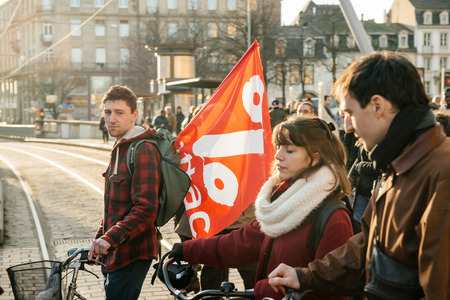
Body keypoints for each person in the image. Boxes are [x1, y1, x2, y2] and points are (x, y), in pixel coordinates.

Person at [268, 52, 450, 299]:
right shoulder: (399, 165)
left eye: (350, 113)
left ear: (378, 106)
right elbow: (368, 245)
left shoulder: (440, 173)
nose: (348, 127)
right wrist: (307, 277)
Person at [170, 116, 354, 300]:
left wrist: (261, 291)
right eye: (279, 146)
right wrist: (187, 250)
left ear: (315, 159)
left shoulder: (333, 217)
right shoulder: (283, 202)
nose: (278, 155)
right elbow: (240, 242)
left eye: (289, 150)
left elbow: (333, 286)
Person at [88, 85, 161, 300]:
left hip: (133, 253)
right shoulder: (121, 147)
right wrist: (99, 239)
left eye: (119, 113)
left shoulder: (142, 150)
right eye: (108, 112)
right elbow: (114, 206)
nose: (112, 119)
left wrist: (109, 239)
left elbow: (146, 208)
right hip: (116, 250)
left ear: (134, 115)